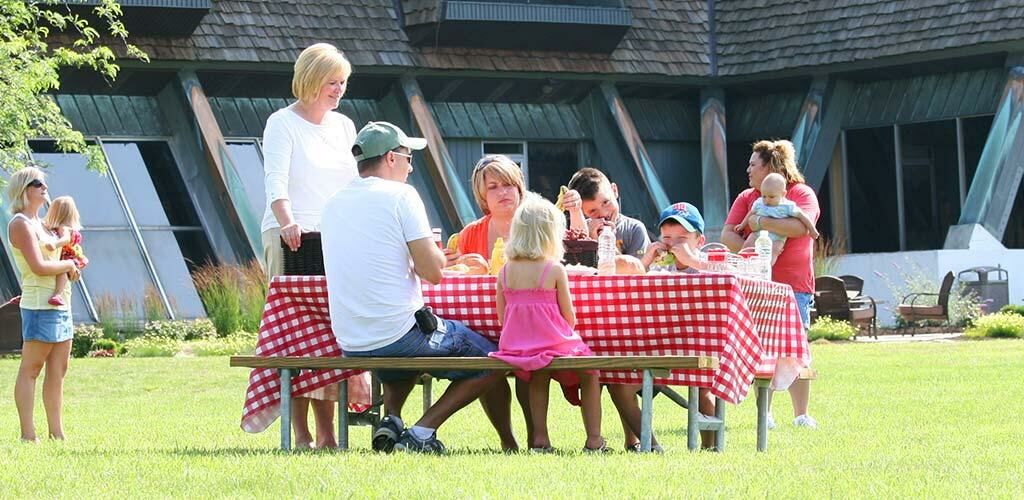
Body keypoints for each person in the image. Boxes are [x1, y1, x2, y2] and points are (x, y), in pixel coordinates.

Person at [321, 121, 518, 453]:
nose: (411, 167)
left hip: (351, 339)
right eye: (408, 157)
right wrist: (440, 260)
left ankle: (393, 420)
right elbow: (434, 273)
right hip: (398, 335)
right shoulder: (401, 196)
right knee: (492, 358)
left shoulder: (333, 203)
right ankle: (423, 431)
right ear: (390, 158)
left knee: (406, 340)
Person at [260, 42, 359, 449]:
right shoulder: (282, 123)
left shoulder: (344, 126)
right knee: (294, 335)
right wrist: (288, 222)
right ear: (311, 80)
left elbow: (353, 185)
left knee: (330, 336)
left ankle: (327, 433)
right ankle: (299, 433)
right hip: (292, 236)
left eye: (342, 83)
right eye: (332, 82)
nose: (338, 90)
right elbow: (275, 181)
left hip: (334, 237)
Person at [489, 194, 606, 452]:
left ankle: (540, 439)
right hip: (554, 345)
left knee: (539, 377)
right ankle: (594, 439)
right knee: (590, 372)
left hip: (518, 349)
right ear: (550, 235)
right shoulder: (553, 270)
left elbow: (502, 317)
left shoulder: (504, 272)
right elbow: (569, 316)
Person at [722, 139, 819, 429]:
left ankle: (801, 414)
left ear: (771, 168)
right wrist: (753, 248)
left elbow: (802, 228)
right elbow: (728, 235)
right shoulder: (746, 197)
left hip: (795, 286)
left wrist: (761, 224)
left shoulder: (800, 193)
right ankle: (766, 413)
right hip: (758, 285)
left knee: (795, 349)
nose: (748, 169)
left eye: (754, 164)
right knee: (762, 350)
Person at [6, 168, 84, 442]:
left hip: (61, 304)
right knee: (32, 369)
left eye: (44, 182)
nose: (44, 186)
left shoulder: (43, 225)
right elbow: (39, 267)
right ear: (23, 190)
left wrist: (72, 265)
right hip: (39, 304)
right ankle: (28, 435)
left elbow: (61, 256)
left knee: (58, 370)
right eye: (36, 183)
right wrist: (69, 264)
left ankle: (57, 433)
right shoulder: (20, 224)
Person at [445, 154, 526, 272]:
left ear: (518, 189)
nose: (502, 192)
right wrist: (447, 265)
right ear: (482, 195)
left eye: (508, 184)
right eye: (493, 187)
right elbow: (456, 275)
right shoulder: (469, 235)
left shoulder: (537, 227)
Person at [559, 167, 651, 259]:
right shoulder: (578, 232)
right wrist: (589, 241)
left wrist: (605, 242)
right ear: (583, 212)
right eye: (592, 211)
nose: (603, 213)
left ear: (614, 190)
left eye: (606, 202)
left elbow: (637, 270)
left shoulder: (634, 230)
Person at [736, 172, 819, 264]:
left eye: (771, 197)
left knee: (774, 250)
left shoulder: (787, 206)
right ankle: (741, 263)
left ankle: (766, 266)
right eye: (764, 196)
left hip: (777, 237)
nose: (767, 200)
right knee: (748, 244)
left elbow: (803, 216)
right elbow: (751, 212)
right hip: (759, 233)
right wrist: (742, 224)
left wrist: (812, 229)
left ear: (783, 194)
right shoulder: (759, 203)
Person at [41, 196, 87, 307]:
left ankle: (57, 294)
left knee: (62, 271)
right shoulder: (60, 228)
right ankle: (57, 294)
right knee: (62, 270)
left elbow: (66, 239)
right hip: (63, 256)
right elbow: (65, 238)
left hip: (65, 256)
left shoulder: (62, 228)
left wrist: (55, 245)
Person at [640, 202, 706, 273]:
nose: (672, 243)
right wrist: (645, 261)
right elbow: (629, 279)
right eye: (667, 237)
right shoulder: (659, 265)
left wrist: (691, 260)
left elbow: (718, 270)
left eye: (681, 238)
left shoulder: (708, 261)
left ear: (700, 241)